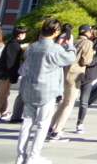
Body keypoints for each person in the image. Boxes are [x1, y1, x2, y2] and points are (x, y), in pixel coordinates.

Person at [15, 17, 75, 164]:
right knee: (42, 124)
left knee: (27, 123)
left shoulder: (32, 46)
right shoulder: (55, 48)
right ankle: (34, 156)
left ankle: (20, 155)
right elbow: (69, 59)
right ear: (56, 31)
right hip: (47, 90)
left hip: (29, 88)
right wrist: (70, 46)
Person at [47, 24, 94, 141]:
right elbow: (86, 61)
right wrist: (92, 54)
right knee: (69, 104)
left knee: (63, 103)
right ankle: (57, 130)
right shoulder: (87, 43)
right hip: (75, 75)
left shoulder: (72, 41)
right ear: (90, 31)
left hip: (64, 73)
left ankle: (50, 126)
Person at [71, 26, 97, 135]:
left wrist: (90, 62)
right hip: (76, 72)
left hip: (89, 73)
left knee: (83, 100)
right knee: (69, 99)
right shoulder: (83, 41)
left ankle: (80, 123)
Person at [0, 25, 27, 120]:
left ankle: (3, 112)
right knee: (1, 94)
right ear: (20, 34)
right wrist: (14, 75)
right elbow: (11, 62)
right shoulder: (14, 45)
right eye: (24, 34)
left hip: (3, 72)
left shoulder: (11, 43)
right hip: (6, 74)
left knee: (4, 93)